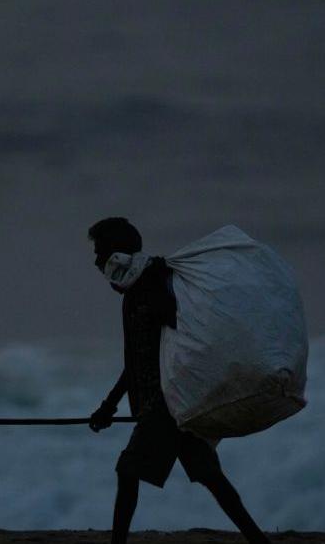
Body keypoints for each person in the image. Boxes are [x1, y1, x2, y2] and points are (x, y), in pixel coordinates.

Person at [86, 218, 270, 544]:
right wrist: (108, 406)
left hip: (167, 403)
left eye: (100, 253)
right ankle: (258, 539)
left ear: (117, 258)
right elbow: (136, 363)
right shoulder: (134, 295)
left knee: (128, 470)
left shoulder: (154, 287)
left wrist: (110, 406)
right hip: (180, 401)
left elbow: (176, 343)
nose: (97, 261)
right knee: (211, 476)